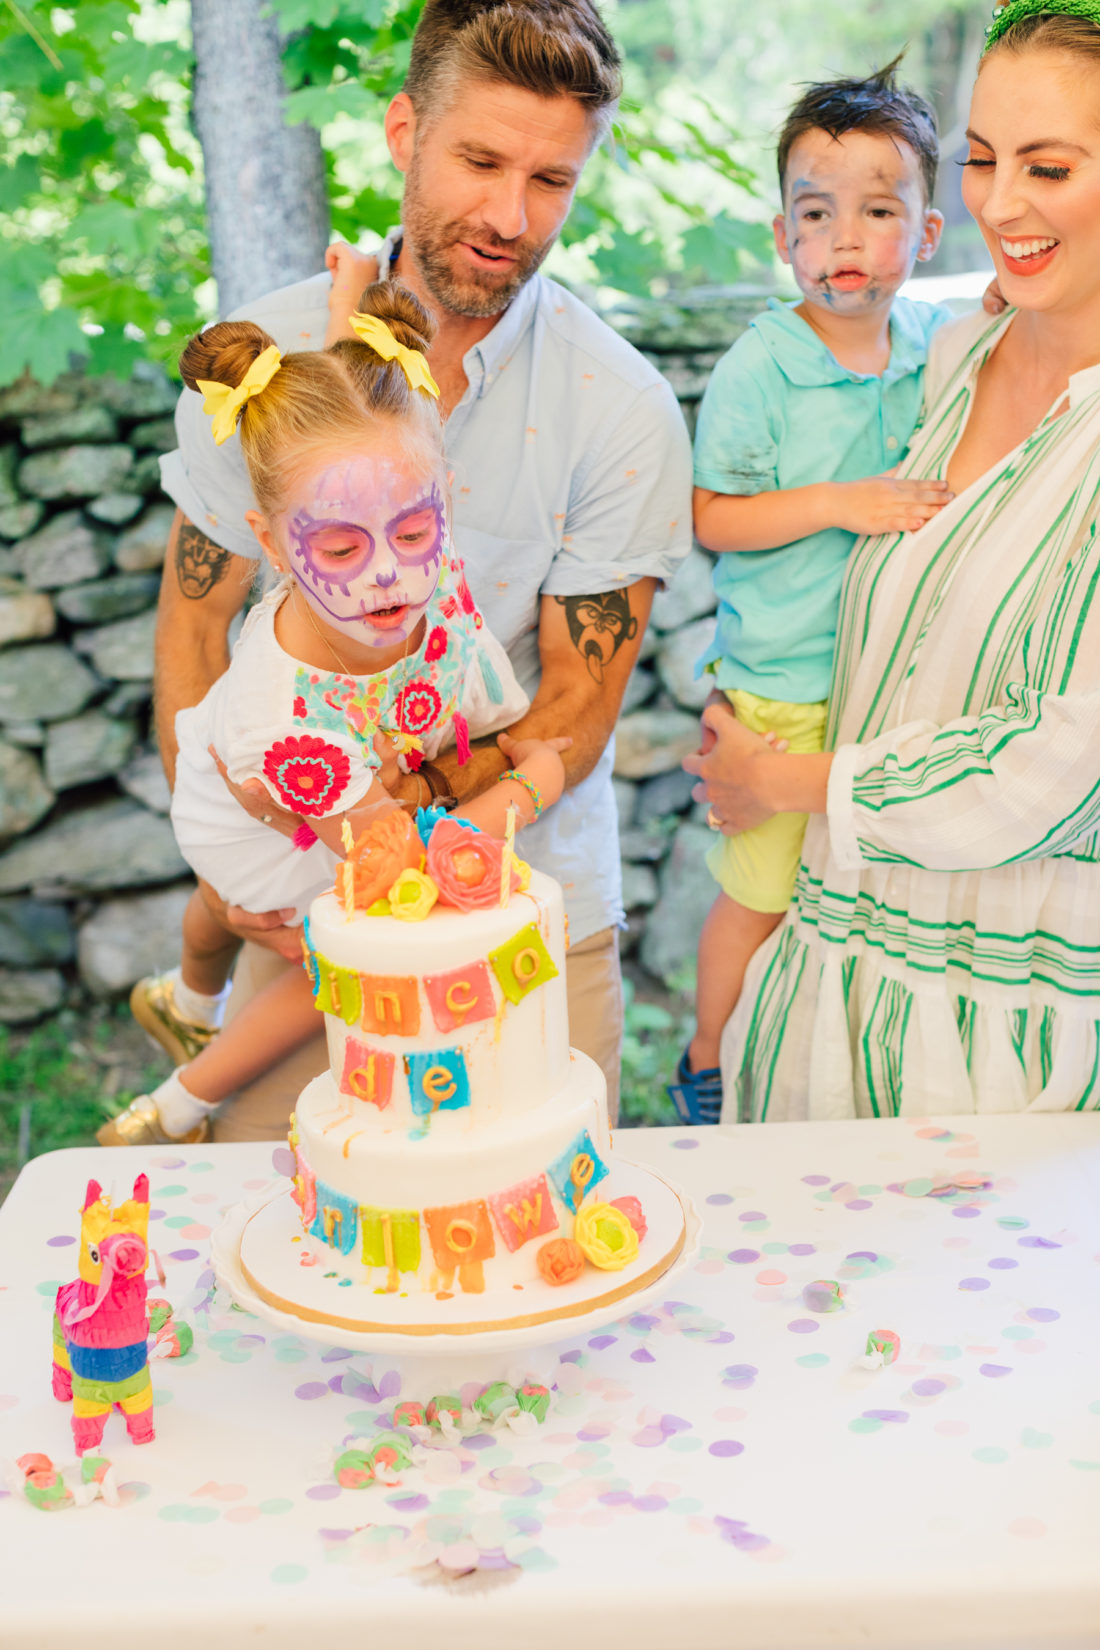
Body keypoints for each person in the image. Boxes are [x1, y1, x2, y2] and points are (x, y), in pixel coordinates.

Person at [147, 0, 692, 1134]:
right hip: (305, 907)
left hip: (528, 908)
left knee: (531, 1225)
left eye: (551, 181)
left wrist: (400, 828)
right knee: (275, 1221)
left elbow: (574, 707)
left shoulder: (621, 409)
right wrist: (242, 855)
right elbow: (199, 628)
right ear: (404, 131)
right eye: (480, 160)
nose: (508, 215)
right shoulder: (258, 368)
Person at [685, 0, 1100, 1122]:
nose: (999, 203)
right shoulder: (951, 350)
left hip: (989, 1049)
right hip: (819, 1000)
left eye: (1048, 167)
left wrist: (779, 781)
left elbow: (1060, 770)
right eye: (978, 159)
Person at [101, 282, 566, 1147]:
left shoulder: (393, 518)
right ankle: (175, 1106)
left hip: (361, 765)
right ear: (272, 545)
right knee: (343, 954)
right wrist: (533, 783)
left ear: (443, 502)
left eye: (416, 537)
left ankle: (187, 995)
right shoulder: (287, 730)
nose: (386, 573)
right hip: (267, 818)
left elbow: (356, 445)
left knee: (233, 915)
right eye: (342, 549)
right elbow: (408, 872)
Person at [668, 59, 952, 1124]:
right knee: (760, 896)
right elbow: (709, 517)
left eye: (877, 211)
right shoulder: (759, 367)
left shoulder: (936, 348)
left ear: (924, 234)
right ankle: (702, 1061)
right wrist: (839, 501)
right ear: (781, 234)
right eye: (816, 212)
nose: (843, 239)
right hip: (785, 685)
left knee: (851, 904)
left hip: (890, 686)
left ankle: (811, 1077)